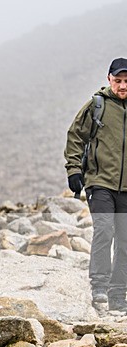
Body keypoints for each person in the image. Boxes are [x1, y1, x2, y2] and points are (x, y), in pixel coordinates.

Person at [65, 57, 127, 312]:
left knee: (125, 240)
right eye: (118, 80)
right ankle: (99, 287)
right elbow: (75, 136)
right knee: (104, 230)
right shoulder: (97, 105)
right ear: (109, 79)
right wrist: (74, 170)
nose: (123, 86)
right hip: (100, 182)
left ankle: (118, 294)